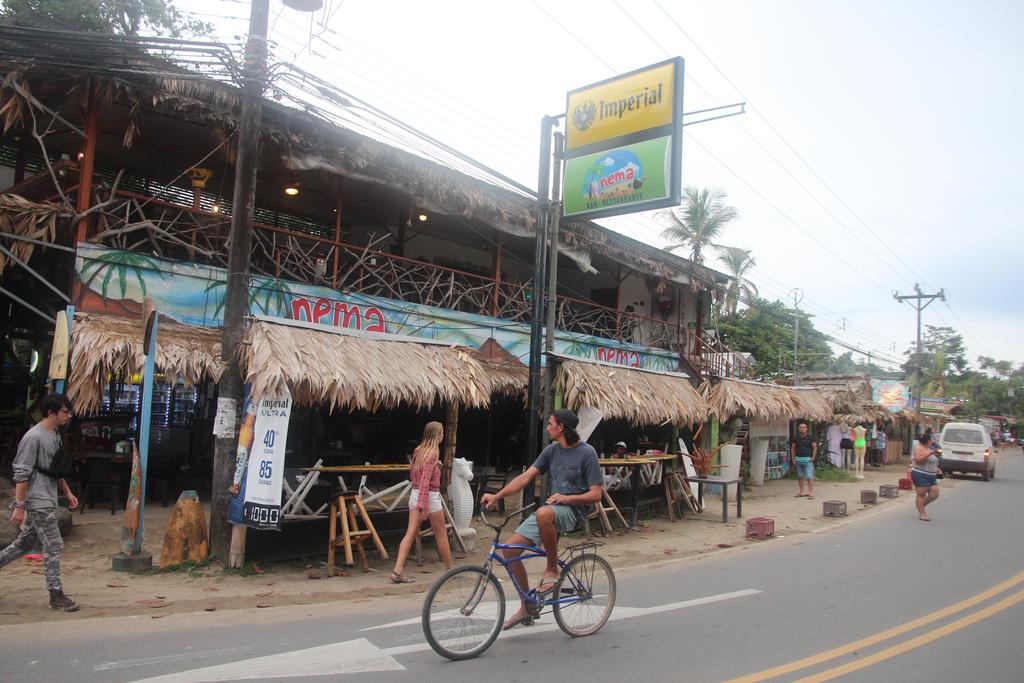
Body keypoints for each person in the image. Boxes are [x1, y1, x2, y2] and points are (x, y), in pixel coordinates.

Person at [480, 409, 602, 630]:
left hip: (574, 512)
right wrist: (496, 496)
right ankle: (527, 607)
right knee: (509, 550)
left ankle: (552, 569)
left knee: (544, 512)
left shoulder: (587, 453)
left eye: (550, 423)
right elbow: (526, 477)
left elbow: (596, 494)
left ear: (561, 427)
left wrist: (566, 498)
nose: (547, 427)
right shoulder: (552, 451)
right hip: (551, 511)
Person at [0, 393, 79, 612]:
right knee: (54, 545)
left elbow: (55, 468)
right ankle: (56, 595)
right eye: (65, 412)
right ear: (51, 412)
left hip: (47, 496)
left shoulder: (54, 435)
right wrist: (19, 505)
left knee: (23, 544)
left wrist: (67, 492)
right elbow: (22, 472)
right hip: (37, 499)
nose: (68, 416)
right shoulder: (33, 437)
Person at [389, 421, 452, 583]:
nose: (443, 435)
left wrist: (435, 467)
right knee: (441, 534)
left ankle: (397, 570)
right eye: (441, 433)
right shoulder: (432, 454)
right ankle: (450, 570)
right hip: (428, 496)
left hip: (415, 494)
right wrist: (424, 507)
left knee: (410, 533)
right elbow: (425, 481)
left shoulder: (419, 451)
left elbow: (416, 474)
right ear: (436, 435)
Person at [911, 432, 940, 521]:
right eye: (931, 439)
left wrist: (937, 468)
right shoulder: (919, 448)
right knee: (921, 494)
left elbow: (931, 461)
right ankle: (922, 513)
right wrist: (930, 454)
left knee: (935, 493)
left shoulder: (928, 448)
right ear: (928, 441)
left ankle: (920, 505)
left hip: (931, 475)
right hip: (920, 474)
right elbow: (918, 460)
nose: (933, 441)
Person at [790, 422, 816, 499]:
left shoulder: (811, 437)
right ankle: (801, 492)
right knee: (800, 476)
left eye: (804, 427)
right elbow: (793, 448)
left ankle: (810, 493)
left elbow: (815, 447)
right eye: (801, 427)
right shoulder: (796, 438)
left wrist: (813, 457)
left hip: (808, 459)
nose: (802, 428)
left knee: (809, 476)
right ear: (798, 429)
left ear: (806, 429)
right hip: (798, 458)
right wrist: (793, 458)